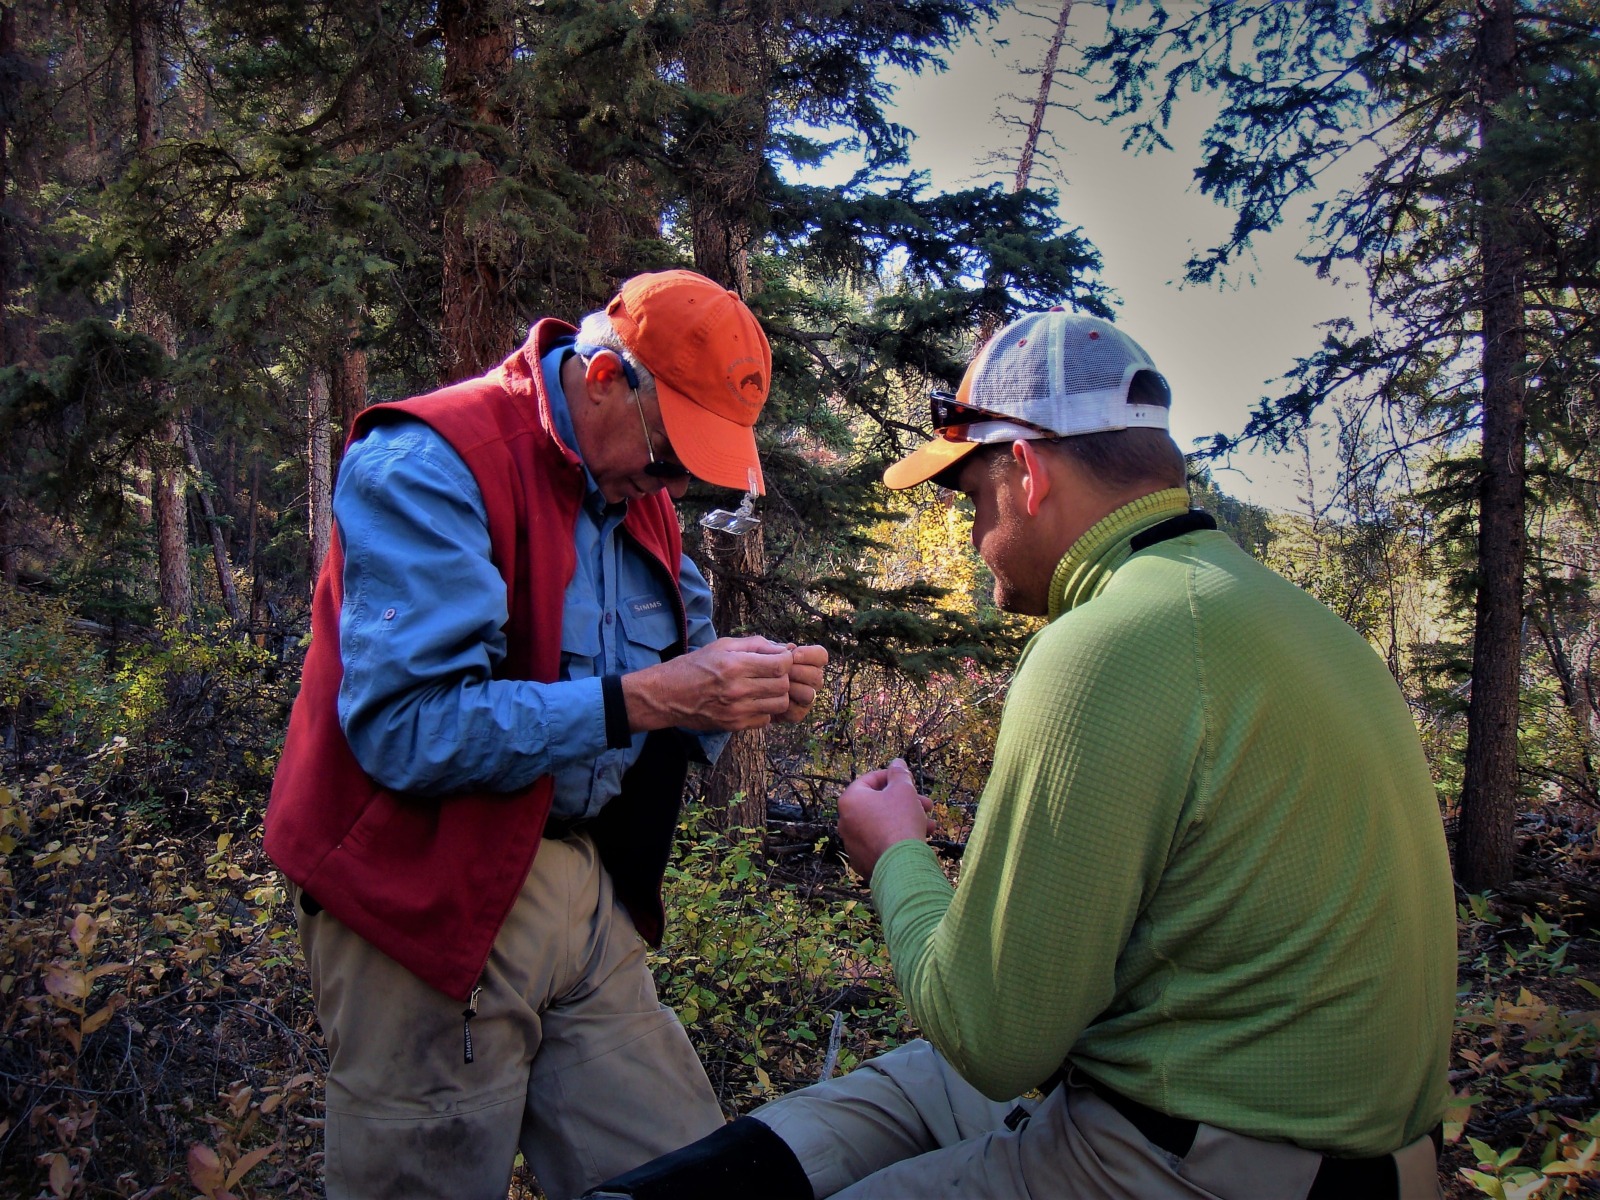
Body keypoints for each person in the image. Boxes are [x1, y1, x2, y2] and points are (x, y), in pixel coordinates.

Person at [584, 309, 1455, 1200]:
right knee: (907, 1090)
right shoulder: (1301, 623)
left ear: (1029, 473)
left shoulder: (1107, 641)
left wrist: (897, 858)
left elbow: (992, 1037)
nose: (970, 538)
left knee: (944, 1071)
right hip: (1352, 1156)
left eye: (971, 498)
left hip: (1191, 1166)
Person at [264, 268, 829, 1200]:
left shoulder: (636, 489)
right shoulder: (428, 461)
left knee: (686, 1173)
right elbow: (407, 728)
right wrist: (650, 698)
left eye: (697, 466)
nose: (679, 482)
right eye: (671, 456)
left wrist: (744, 684)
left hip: (577, 886)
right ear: (604, 377)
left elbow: (682, 655)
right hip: (422, 891)